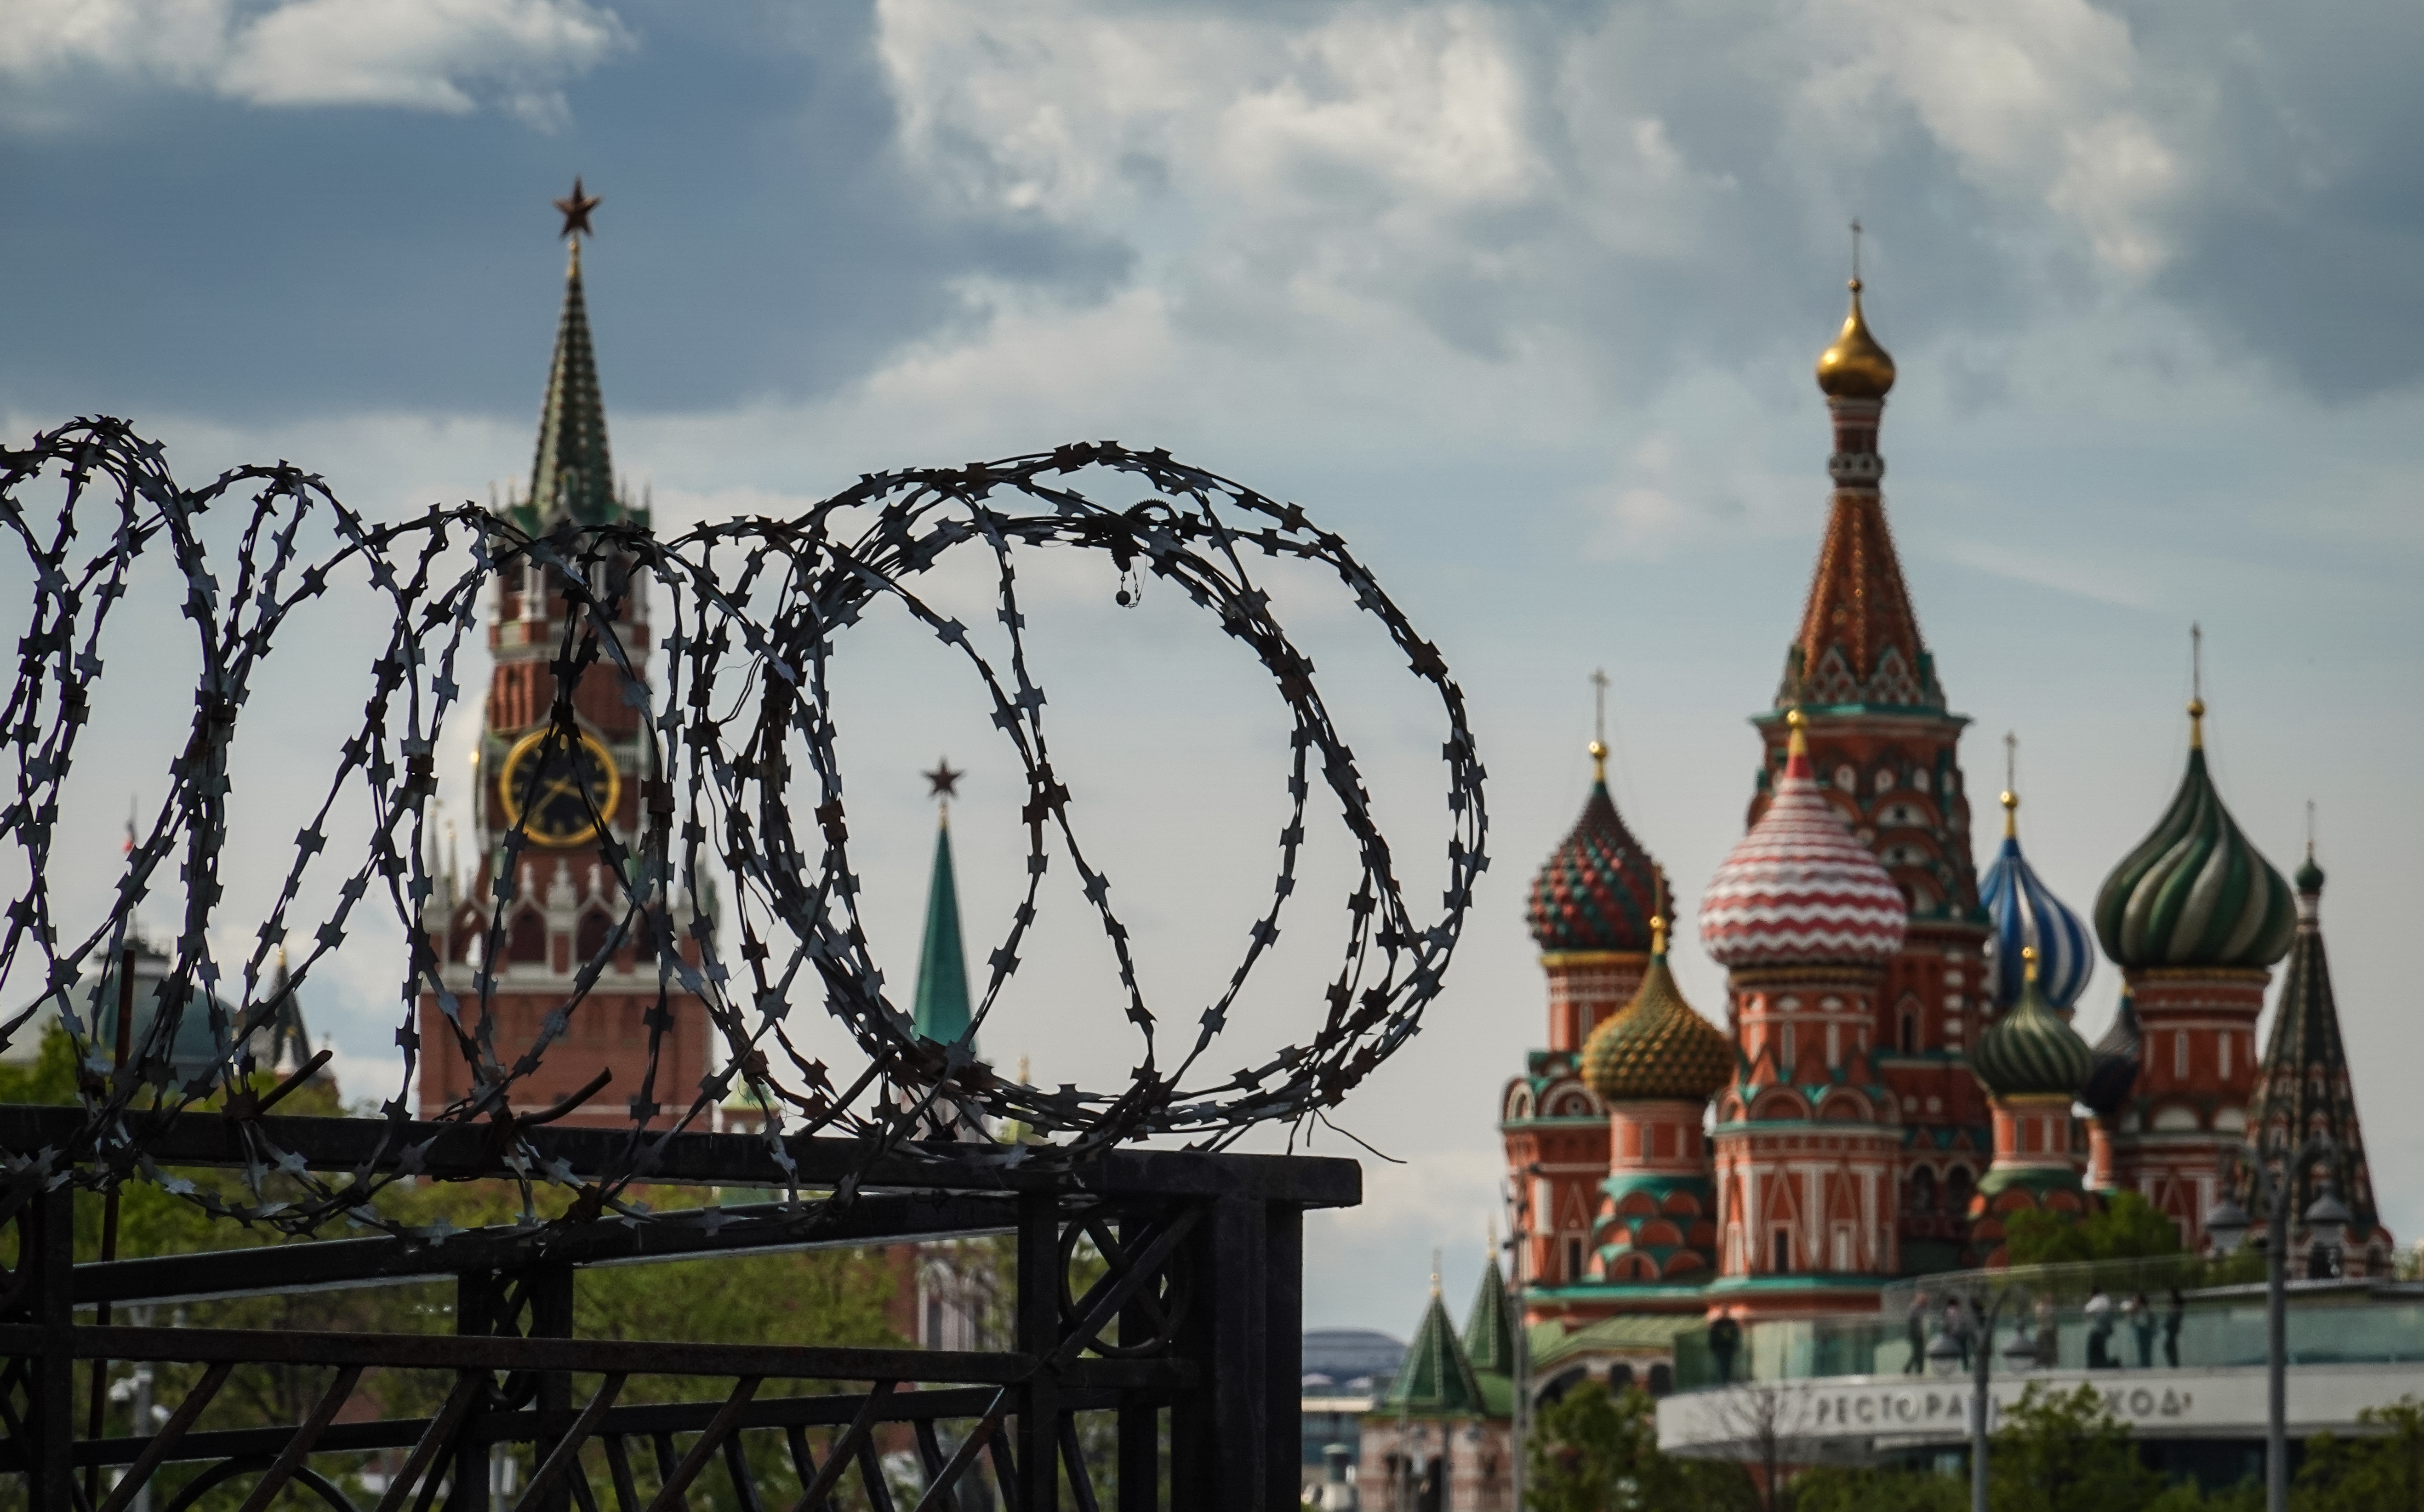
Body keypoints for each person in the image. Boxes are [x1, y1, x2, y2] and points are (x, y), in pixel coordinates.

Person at [2085, 1288, 2116, 1369]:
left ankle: (2095, 1365)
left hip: (2099, 1330)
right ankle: (2101, 1364)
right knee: (2100, 1349)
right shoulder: (2106, 1300)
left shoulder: (2099, 1300)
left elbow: (2088, 1309)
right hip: (2104, 1330)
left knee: (2094, 1347)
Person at [1710, 1315, 1742, 1385]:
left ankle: (1726, 1379)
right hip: (1721, 1348)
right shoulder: (1719, 1324)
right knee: (1723, 1364)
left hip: (1728, 1348)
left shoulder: (1729, 1323)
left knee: (1727, 1364)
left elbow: (1736, 1335)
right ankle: (1724, 1380)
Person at [1905, 1289, 1930, 1375]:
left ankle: (1919, 1369)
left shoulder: (1924, 1308)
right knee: (1917, 1352)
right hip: (1915, 1334)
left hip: (1921, 1334)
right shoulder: (1914, 1308)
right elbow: (1912, 1321)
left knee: (1921, 1352)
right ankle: (1910, 1369)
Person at [1944, 1295, 1972, 1371]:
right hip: (1958, 1333)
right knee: (1963, 1351)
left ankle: (1953, 1368)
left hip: (1954, 1333)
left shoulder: (1949, 1311)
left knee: (1955, 1351)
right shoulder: (1955, 1311)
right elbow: (1963, 1321)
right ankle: (1965, 1367)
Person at [2129, 1292, 2156, 1368]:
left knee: (2146, 1349)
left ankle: (2146, 1365)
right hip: (2141, 1329)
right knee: (2142, 1349)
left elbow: (2151, 1319)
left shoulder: (2147, 1308)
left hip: (2146, 1330)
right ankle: (2144, 1364)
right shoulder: (2137, 1309)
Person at [2034, 1291, 2059, 1370]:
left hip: (2050, 1331)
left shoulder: (2051, 1307)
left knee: (2051, 1351)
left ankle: (2050, 1366)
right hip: (2043, 1331)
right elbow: (2042, 1317)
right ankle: (2038, 1366)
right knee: (2043, 1349)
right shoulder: (2040, 1308)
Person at [2164, 1288, 2186, 1369]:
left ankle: (2174, 1364)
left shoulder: (2176, 1307)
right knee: (2170, 1345)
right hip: (2173, 1328)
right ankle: (2174, 1364)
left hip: (2173, 1328)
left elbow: (2174, 1317)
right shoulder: (2174, 1306)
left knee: (2169, 1346)